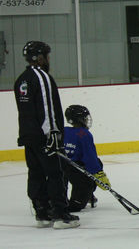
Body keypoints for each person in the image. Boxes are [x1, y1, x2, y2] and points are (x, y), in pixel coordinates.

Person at [13, 41, 79, 229]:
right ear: (39, 58)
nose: (48, 60)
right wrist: (53, 134)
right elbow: (47, 108)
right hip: (45, 135)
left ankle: (42, 213)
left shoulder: (22, 79)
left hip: (29, 136)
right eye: (47, 56)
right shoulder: (41, 77)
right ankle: (60, 214)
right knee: (56, 172)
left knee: (36, 173)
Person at [62, 105, 111, 212]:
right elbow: (90, 158)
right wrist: (99, 174)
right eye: (85, 117)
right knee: (85, 187)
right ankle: (77, 201)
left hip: (62, 167)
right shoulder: (83, 134)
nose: (87, 119)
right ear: (79, 119)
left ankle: (56, 200)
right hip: (76, 170)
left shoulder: (64, 131)